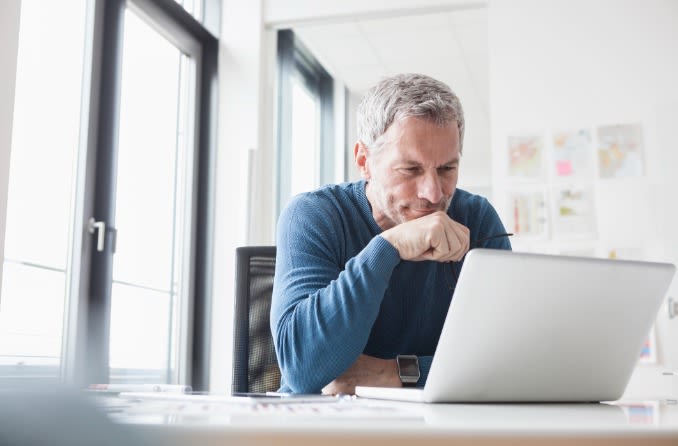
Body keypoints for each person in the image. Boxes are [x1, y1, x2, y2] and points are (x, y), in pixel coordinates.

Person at [270, 73, 511, 395]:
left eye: (446, 169)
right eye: (410, 170)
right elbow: (304, 370)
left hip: (437, 424)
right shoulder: (314, 214)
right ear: (364, 160)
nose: (433, 193)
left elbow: (508, 359)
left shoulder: (477, 218)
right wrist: (387, 247)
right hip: (324, 426)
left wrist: (390, 374)